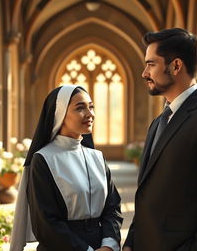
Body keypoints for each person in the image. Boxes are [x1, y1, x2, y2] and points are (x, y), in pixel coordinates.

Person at [123, 28, 197, 251]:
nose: (144, 73)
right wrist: (131, 243)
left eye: (151, 64)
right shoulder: (158, 123)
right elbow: (146, 194)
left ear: (176, 66)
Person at [10, 85, 123, 251]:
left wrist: (109, 245)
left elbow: (113, 208)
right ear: (60, 114)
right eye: (80, 108)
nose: (90, 114)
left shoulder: (97, 157)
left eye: (91, 107)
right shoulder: (43, 159)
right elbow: (46, 223)